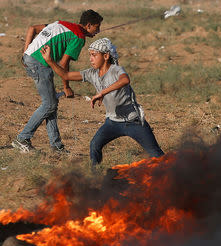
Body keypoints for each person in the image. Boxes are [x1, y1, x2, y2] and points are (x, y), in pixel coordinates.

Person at [41, 38, 165, 168]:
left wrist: (102, 92)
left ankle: (174, 174)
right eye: (90, 55)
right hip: (112, 122)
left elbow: (125, 80)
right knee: (95, 145)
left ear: (106, 56)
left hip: (133, 122)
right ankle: (96, 176)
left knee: (156, 154)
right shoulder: (91, 73)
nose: (91, 59)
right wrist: (49, 61)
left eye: (94, 55)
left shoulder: (116, 70)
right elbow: (66, 75)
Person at [12, 9, 103, 153]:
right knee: (49, 104)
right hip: (39, 63)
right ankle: (22, 138)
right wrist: (66, 86)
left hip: (31, 58)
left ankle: (56, 145)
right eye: (97, 27)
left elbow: (32, 28)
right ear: (89, 25)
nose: (98, 31)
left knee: (51, 102)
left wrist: (26, 52)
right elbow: (63, 64)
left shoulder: (61, 23)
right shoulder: (79, 37)